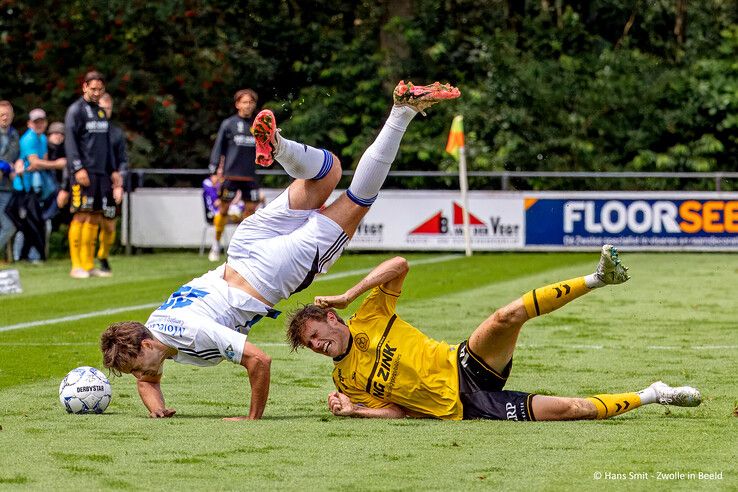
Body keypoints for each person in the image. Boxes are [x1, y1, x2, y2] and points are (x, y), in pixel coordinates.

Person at [100, 81, 461, 420]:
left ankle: (401, 112)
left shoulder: (190, 333)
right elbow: (147, 379)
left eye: (136, 366)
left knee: (358, 199)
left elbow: (259, 361)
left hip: (273, 272)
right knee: (328, 171)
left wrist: (251, 418)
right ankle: (280, 146)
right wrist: (157, 409)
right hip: (243, 246)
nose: (140, 376)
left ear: (146, 343)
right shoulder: (151, 328)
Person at [287, 247, 702, 421]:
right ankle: (655, 393)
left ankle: (599, 277)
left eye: (315, 334)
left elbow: (399, 263)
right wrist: (357, 411)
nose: (316, 345)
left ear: (332, 318)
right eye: (309, 345)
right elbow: (398, 411)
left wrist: (350, 292)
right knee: (572, 410)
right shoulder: (344, 382)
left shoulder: (368, 315)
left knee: (506, 316)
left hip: (462, 362)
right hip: (468, 406)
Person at [65, 71, 119, 278]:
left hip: (101, 174)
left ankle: (88, 265)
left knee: (95, 217)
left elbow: (106, 145)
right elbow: (70, 142)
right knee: (81, 215)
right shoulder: (75, 111)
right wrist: (77, 168)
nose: (97, 93)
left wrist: (113, 170)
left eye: (100, 89)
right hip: (83, 173)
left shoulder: (100, 112)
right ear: (84, 87)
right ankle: (76, 265)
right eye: (93, 89)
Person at [207, 88, 261, 262]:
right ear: (237, 104)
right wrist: (214, 170)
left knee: (251, 211)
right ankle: (216, 244)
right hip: (231, 174)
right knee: (223, 209)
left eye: (251, 102)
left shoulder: (258, 125)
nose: (248, 105)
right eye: (244, 102)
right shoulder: (229, 124)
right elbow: (219, 147)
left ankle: (243, 246)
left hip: (250, 175)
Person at [12, 108, 65, 262]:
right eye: (36, 122)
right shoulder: (29, 139)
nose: (39, 124)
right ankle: (23, 257)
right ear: (29, 124)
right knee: (29, 224)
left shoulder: (41, 138)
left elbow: (41, 162)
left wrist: (43, 164)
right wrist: (55, 164)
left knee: (36, 224)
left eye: (41, 122)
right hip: (24, 188)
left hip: (37, 189)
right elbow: (35, 162)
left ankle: (28, 257)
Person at [94, 92, 127, 276]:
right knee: (90, 220)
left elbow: (123, 160)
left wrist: (119, 183)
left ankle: (103, 256)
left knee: (109, 224)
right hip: (92, 181)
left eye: (108, 108)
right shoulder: (88, 131)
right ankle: (84, 260)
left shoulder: (116, 133)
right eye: (102, 108)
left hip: (110, 183)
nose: (105, 111)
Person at [0, 100, 20, 262]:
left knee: (9, 227)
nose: (4, 118)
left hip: (6, 188)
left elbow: (15, 157)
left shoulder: (14, 134)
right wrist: (7, 166)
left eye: (7, 114)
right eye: (1, 115)